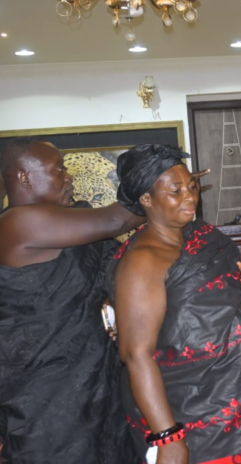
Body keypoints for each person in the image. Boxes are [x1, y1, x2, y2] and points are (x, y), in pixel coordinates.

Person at [107, 144, 241, 464]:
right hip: (200, 419)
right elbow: (136, 355)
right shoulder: (142, 263)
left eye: (192, 187)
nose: (190, 197)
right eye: (175, 190)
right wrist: (168, 436)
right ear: (146, 199)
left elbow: (228, 286)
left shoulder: (203, 235)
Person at [0, 137, 143, 463]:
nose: (69, 177)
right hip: (47, 395)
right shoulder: (17, 223)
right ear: (24, 178)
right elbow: (118, 220)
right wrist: (161, 184)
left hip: (93, 383)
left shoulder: (66, 223)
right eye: (59, 170)